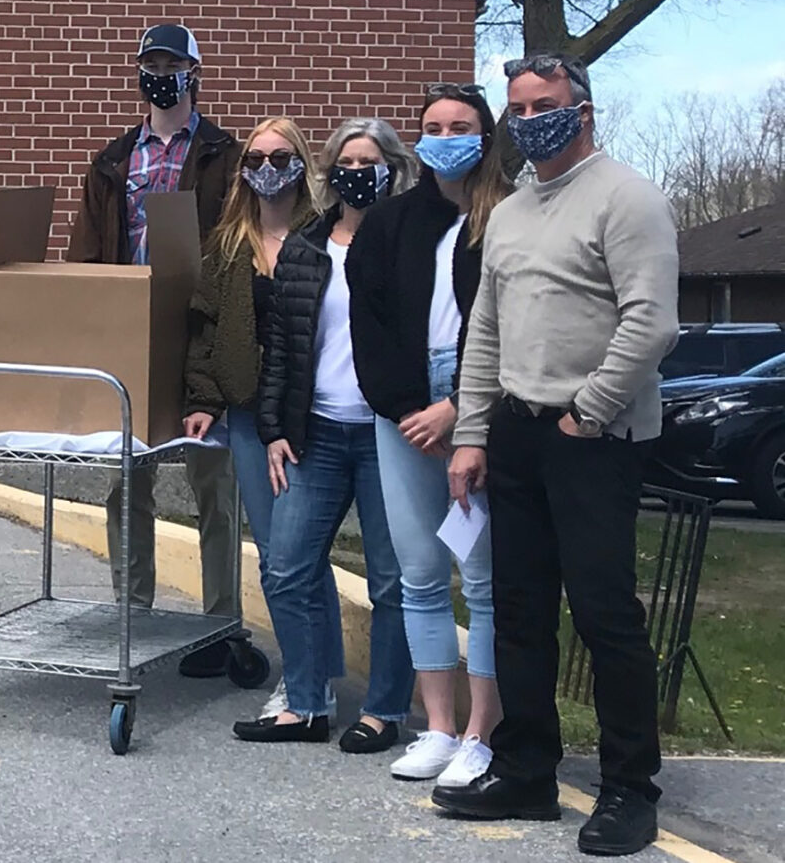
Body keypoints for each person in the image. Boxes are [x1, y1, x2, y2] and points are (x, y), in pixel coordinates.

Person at [435, 54, 678, 857]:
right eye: (518, 107)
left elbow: (652, 324)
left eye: (545, 104)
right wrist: (472, 434)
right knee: (520, 612)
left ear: (583, 111)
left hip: (595, 438)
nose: (528, 117)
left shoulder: (627, 198)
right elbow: (486, 335)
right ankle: (527, 769)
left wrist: (588, 412)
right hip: (515, 432)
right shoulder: (509, 213)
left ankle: (628, 789)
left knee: (606, 617)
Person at [349, 85, 516, 788]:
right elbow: (371, 324)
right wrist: (410, 408)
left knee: (482, 579)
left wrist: (459, 408)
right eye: (433, 126)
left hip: (484, 406)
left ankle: (484, 731)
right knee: (419, 573)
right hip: (404, 414)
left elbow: (518, 328)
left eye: (461, 125)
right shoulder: (389, 223)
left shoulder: (510, 215)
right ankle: (439, 728)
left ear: (485, 134)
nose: (446, 135)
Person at [67, 23, 242, 676]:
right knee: (126, 484)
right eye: (149, 62)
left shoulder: (225, 154)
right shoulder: (113, 160)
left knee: (215, 487)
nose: (159, 72)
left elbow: (238, 244)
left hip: (199, 332)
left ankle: (220, 625)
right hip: (127, 335)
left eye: (171, 62)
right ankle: (131, 619)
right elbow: (85, 255)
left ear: (195, 71)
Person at [238, 117, 414, 749]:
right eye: (347, 161)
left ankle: (385, 710)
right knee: (284, 565)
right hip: (316, 432)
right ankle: (307, 704)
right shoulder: (306, 248)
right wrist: (274, 430)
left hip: (389, 438)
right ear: (329, 171)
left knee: (393, 578)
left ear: (392, 171)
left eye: (370, 163)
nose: (357, 173)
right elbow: (281, 348)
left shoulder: (410, 246)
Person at [184, 117, 337, 718]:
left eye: (281, 156)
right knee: (276, 554)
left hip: (313, 416)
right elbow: (205, 331)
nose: (268, 168)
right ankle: (306, 677)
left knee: (305, 552)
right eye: (257, 158)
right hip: (249, 416)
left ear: (301, 163)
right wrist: (202, 399)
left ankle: (315, 675)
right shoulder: (226, 246)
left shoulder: (324, 237)